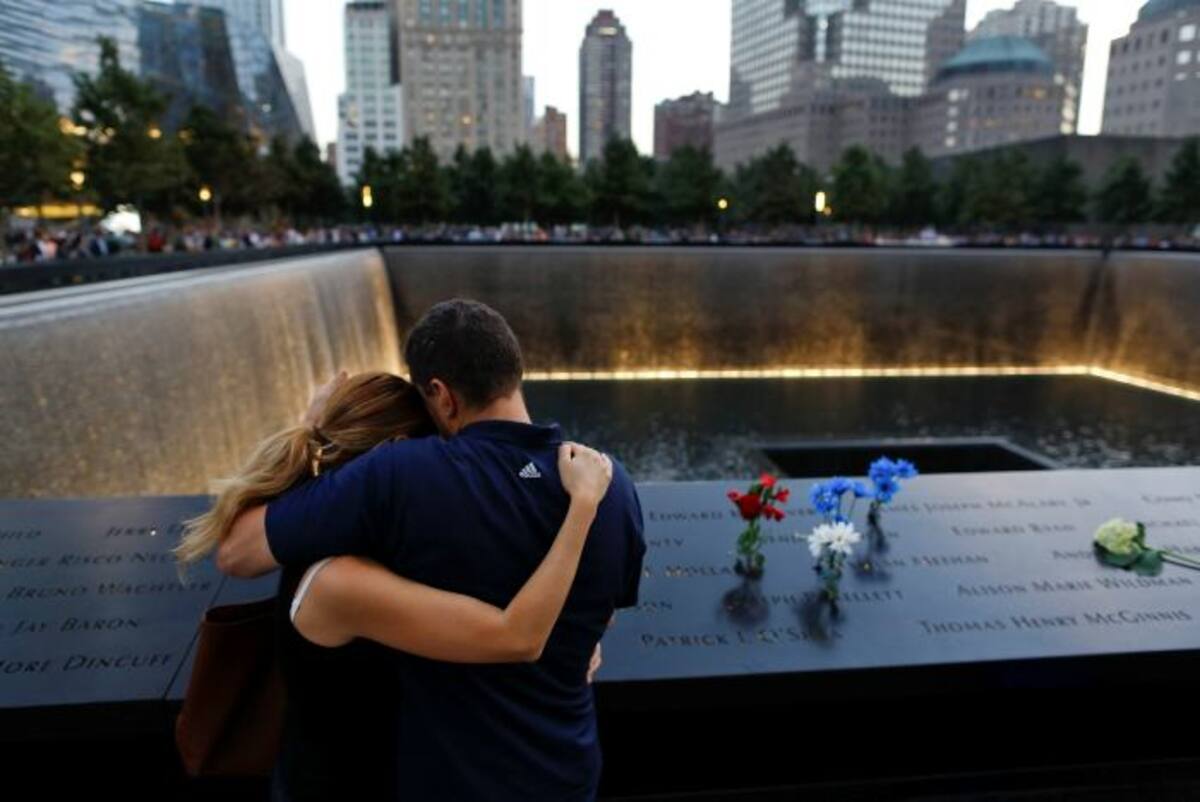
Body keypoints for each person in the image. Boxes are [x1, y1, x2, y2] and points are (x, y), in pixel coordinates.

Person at [217, 299, 647, 801]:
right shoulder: (611, 485)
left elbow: (238, 552)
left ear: (441, 396)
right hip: (569, 773)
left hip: (451, 783)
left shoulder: (402, 475)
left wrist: (309, 429)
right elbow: (601, 616)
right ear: (515, 371)